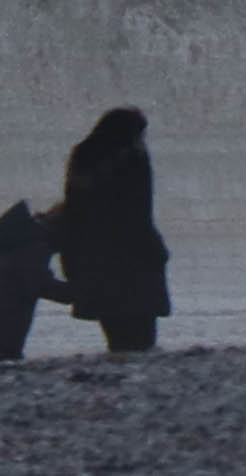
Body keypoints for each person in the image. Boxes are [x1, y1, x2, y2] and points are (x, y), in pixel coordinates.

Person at [49, 105, 173, 355]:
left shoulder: (84, 158)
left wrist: (70, 259)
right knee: (141, 333)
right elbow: (139, 211)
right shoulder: (133, 156)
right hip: (133, 257)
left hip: (94, 256)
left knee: (116, 331)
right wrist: (155, 249)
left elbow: (75, 210)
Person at [0, 198, 67, 362]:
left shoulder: (21, 237)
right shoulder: (34, 246)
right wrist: (81, 293)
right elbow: (41, 285)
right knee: (8, 356)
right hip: (4, 315)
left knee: (3, 356)